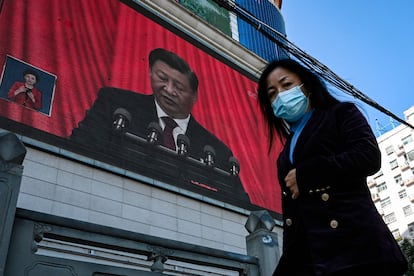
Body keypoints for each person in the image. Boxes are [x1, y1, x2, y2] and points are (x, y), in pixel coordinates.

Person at [257, 59, 408, 276]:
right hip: (311, 258)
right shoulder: (285, 152)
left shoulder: (340, 113)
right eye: (272, 93)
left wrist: (308, 174)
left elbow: (368, 156)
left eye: (286, 85)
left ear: (306, 86)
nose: (280, 95)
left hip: (356, 250)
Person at [70, 48, 236, 173]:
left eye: (179, 87)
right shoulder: (115, 104)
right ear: (150, 73)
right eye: (162, 78)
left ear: (194, 96)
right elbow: (77, 149)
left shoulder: (217, 151)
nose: (169, 90)